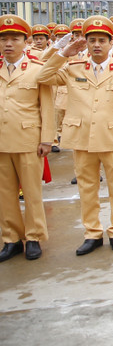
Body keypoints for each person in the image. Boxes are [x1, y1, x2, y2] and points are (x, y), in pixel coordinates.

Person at [37, 16, 113, 254]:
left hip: (112, 137)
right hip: (82, 136)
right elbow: (42, 76)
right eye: (91, 40)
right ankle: (92, 232)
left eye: (102, 40)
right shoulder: (73, 67)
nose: (96, 45)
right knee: (87, 187)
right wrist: (64, 53)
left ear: (111, 42)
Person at [0, 15, 54, 262]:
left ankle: (34, 237)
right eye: (3, 39)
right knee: (4, 193)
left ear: (26, 41)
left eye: (14, 39)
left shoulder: (37, 70)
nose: (8, 44)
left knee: (31, 192)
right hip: (2, 141)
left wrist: (47, 139)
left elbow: (47, 107)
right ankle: (11, 238)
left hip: (28, 139)